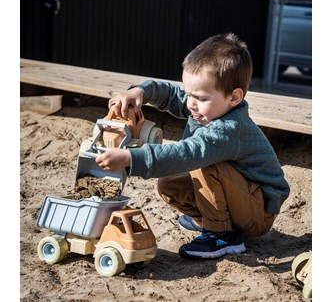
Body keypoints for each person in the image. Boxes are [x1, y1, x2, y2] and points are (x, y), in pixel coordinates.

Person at [96, 33, 290, 259]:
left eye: (200, 98)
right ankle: (211, 220)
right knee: (169, 184)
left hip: (260, 210)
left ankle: (223, 235)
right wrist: (141, 91)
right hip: (240, 197)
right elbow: (170, 94)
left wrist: (132, 158)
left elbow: (187, 153)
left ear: (234, 97)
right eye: (189, 94)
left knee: (206, 163)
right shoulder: (206, 106)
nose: (191, 104)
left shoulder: (228, 129)